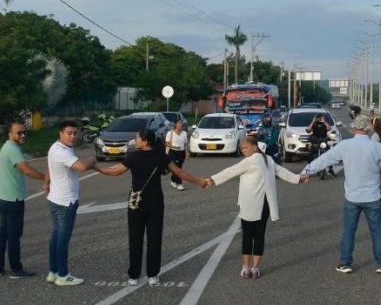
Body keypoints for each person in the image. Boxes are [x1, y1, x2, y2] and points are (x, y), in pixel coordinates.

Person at [302, 115, 381, 274]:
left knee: (349, 231)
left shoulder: (345, 145)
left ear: (353, 129)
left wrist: (306, 171)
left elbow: (324, 160)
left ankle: (345, 263)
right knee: (377, 231)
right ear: (368, 129)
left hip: (352, 197)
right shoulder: (376, 147)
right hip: (373, 197)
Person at [97, 129, 204, 286]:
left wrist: (95, 167)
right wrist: (198, 181)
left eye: (137, 138)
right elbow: (178, 172)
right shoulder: (161, 156)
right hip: (155, 201)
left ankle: (133, 276)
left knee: (135, 238)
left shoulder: (133, 156)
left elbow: (114, 172)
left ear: (145, 141)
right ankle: (153, 275)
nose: (135, 140)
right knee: (155, 238)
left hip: (136, 201)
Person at [204, 135, 305, 278]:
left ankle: (246, 268)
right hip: (265, 205)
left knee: (247, 235)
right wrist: (298, 178)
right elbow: (282, 172)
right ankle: (255, 268)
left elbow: (230, 171)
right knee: (259, 236)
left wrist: (211, 179)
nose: (243, 150)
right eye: (242, 148)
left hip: (250, 204)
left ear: (255, 147)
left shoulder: (250, 161)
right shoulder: (268, 159)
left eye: (245, 147)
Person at [44, 120, 96, 286]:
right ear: (61, 134)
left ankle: (53, 272)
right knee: (63, 239)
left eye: (75, 133)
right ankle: (63, 275)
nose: (72, 136)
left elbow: (49, 168)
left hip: (55, 198)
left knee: (56, 236)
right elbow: (81, 167)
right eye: (69, 133)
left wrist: (46, 183)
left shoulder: (57, 147)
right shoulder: (62, 152)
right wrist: (91, 160)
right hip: (66, 202)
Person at [0, 121, 47, 278]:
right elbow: (27, 170)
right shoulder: (12, 149)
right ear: (10, 134)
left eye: (24, 132)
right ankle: (16, 269)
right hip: (13, 199)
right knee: (14, 235)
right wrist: (46, 178)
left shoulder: (7, 147)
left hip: (3, 197)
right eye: (19, 133)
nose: (23, 135)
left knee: (3, 233)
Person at [164, 119, 189, 191]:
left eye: (182, 123)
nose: (181, 124)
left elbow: (185, 144)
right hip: (173, 152)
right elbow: (166, 143)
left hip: (181, 153)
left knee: (178, 168)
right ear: (175, 124)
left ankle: (173, 179)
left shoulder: (184, 133)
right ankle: (179, 184)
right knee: (177, 168)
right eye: (179, 123)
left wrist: (186, 152)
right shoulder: (170, 133)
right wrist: (173, 146)